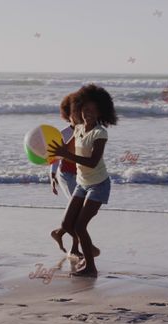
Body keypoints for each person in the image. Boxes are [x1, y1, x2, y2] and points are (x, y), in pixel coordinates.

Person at [48, 84, 118, 277]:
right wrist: (45, 149)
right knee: (67, 224)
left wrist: (65, 155)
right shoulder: (78, 129)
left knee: (80, 226)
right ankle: (87, 257)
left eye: (93, 110)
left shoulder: (100, 133)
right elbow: (65, 149)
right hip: (82, 183)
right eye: (85, 109)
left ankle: (91, 267)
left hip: (98, 185)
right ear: (79, 109)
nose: (88, 113)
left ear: (100, 112)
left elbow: (93, 162)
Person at [49, 93, 83, 258]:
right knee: (78, 213)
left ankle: (59, 232)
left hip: (82, 176)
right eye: (73, 113)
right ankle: (75, 248)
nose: (77, 115)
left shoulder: (86, 130)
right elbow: (55, 157)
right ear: (67, 115)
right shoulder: (63, 133)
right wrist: (52, 176)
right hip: (66, 174)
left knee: (79, 212)